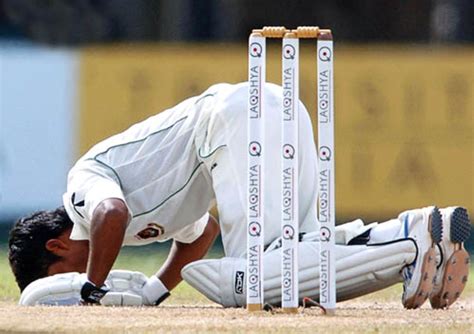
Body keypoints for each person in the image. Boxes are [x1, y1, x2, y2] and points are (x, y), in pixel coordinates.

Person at [8, 82, 471, 308]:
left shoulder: (81, 188)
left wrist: (92, 289)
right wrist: (153, 292)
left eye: (59, 277)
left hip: (233, 120)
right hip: (276, 110)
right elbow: (200, 232)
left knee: (248, 279)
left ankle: (407, 241)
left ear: (57, 246)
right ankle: (424, 236)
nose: (70, 281)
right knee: (299, 258)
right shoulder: (130, 229)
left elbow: (112, 211)